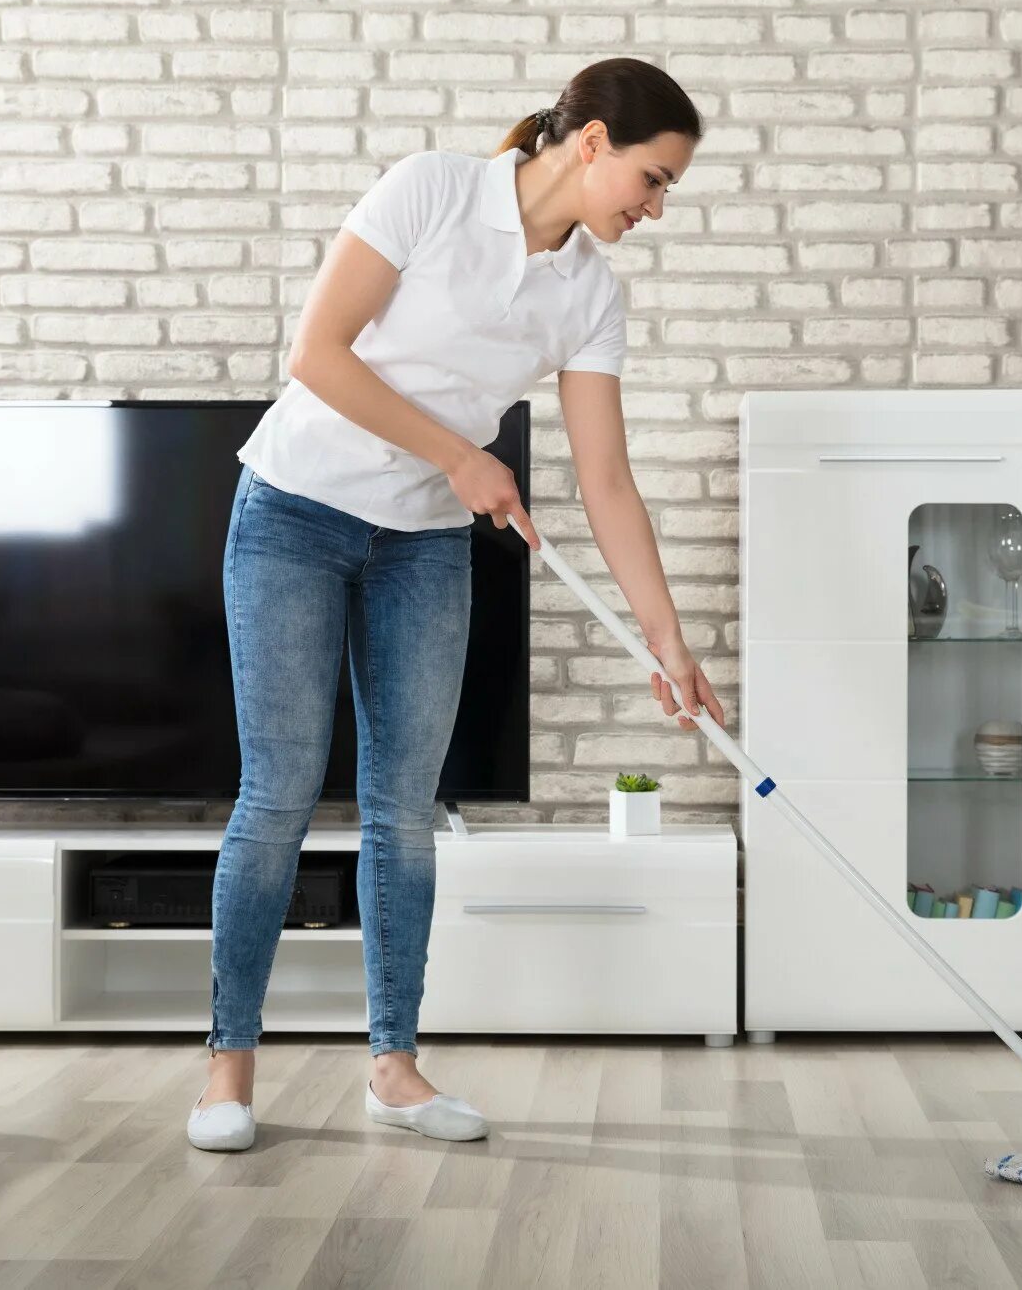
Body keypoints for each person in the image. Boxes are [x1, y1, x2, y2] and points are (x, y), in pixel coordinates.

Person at [187, 58, 727, 1153]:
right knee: (280, 792)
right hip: (293, 509)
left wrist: (668, 644)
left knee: (402, 810)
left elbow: (607, 480)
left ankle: (392, 1066)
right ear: (590, 145)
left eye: (667, 189)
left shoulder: (588, 293)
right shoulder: (428, 190)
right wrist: (460, 455)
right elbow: (315, 355)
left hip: (422, 546)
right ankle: (227, 1067)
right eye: (652, 178)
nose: (656, 207)